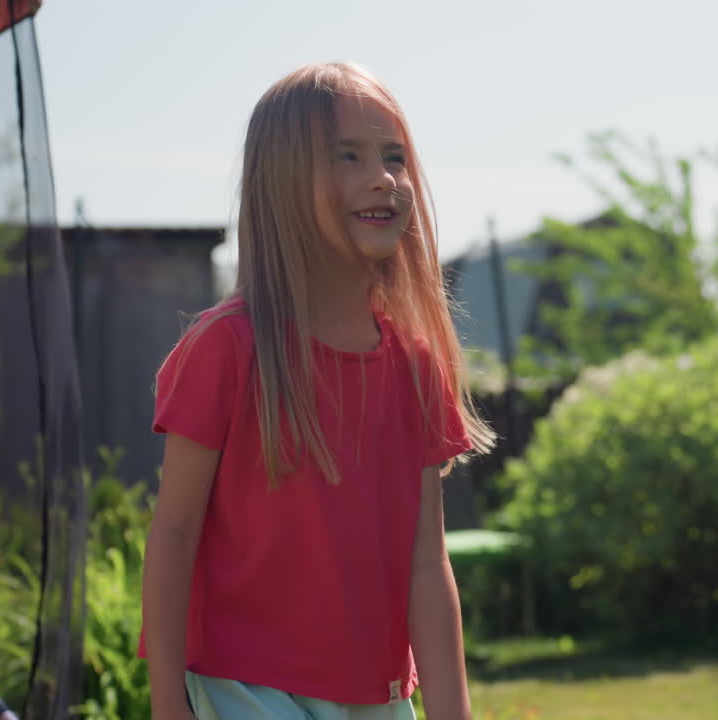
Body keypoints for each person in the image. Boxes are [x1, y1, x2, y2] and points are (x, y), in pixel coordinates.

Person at [139, 61, 496, 720]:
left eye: (394, 157)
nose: (383, 178)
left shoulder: (416, 365)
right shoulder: (225, 349)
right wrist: (167, 703)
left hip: (379, 694)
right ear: (281, 182)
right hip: (245, 686)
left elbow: (426, 562)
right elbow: (175, 532)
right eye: (347, 155)